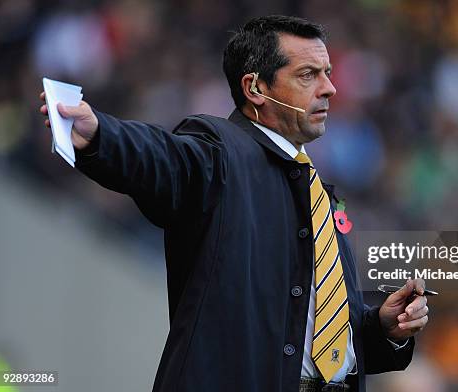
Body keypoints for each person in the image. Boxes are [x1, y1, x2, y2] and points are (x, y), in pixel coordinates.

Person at [38, 15, 429, 392]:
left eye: (327, 73)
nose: (330, 88)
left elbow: (310, 331)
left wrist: (381, 328)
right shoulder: (220, 151)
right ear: (255, 88)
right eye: (308, 75)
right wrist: (102, 136)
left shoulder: (321, 195)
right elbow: (164, 159)